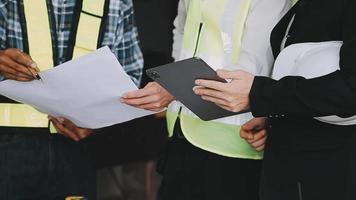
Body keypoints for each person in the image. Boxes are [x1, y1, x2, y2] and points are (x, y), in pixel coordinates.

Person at [121, 0, 291, 199]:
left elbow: (252, 68)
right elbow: (181, 31)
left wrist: (176, 88)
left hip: (231, 143)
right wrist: (173, 84)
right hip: (181, 132)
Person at [194, 0, 356, 199]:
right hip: (289, 165)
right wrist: (272, 115)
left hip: (332, 170)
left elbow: (350, 89)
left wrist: (259, 94)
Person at [0, 0, 143, 199]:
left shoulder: (116, 3)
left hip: (76, 150)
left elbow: (129, 79)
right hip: (8, 146)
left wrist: (96, 120)